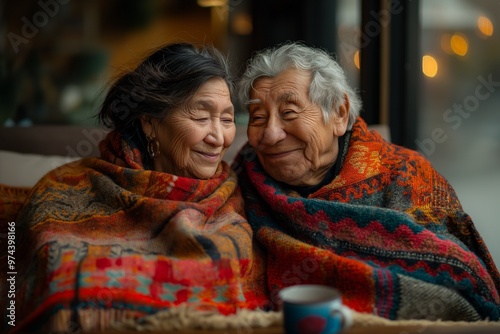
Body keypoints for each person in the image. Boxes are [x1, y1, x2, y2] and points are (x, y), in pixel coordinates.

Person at [5, 43, 268, 333]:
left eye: (227, 119)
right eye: (201, 117)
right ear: (150, 124)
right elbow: (54, 285)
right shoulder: (67, 188)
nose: (218, 137)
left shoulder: (233, 194)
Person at [234, 42, 500, 321]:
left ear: (338, 114)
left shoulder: (407, 175)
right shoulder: (242, 180)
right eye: (258, 117)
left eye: (289, 113)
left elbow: (456, 282)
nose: (271, 133)